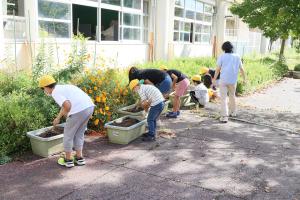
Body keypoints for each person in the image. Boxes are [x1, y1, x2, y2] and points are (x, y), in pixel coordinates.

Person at [39, 75, 95, 168]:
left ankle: (68, 160)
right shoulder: (63, 88)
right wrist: (58, 118)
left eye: (43, 89)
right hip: (89, 107)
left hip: (78, 110)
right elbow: (64, 105)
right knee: (79, 134)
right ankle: (79, 158)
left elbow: (67, 106)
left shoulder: (55, 92)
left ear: (46, 87)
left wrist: (67, 116)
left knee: (68, 136)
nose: (44, 91)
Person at [212, 41, 246, 123]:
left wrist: (214, 79)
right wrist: (245, 79)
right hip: (233, 80)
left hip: (223, 80)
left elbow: (217, 69)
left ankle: (224, 117)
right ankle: (233, 112)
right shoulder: (237, 56)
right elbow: (242, 69)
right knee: (232, 96)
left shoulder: (222, 56)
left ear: (223, 49)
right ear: (232, 48)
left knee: (223, 98)